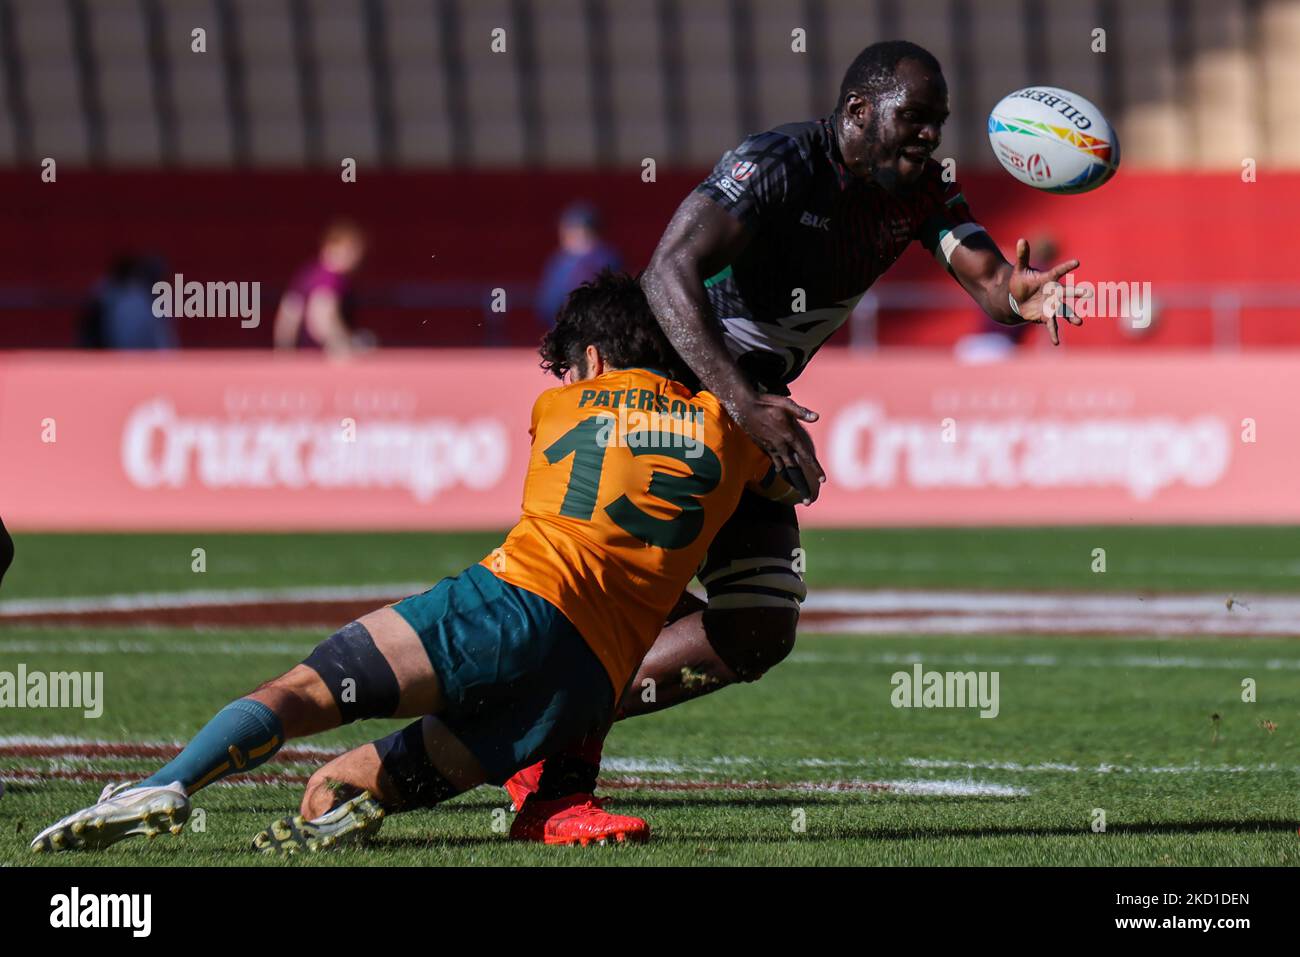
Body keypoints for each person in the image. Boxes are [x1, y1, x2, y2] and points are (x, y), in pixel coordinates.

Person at [503, 39, 1093, 841]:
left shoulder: (920, 191)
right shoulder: (776, 163)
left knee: (757, 627)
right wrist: (747, 402)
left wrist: (1018, 294)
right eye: (915, 121)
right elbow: (669, 273)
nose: (930, 139)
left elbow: (989, 277)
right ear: (858, 113)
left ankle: (532, 725)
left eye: (939, 124)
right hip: (667, 391)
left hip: (744, 411)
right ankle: (554, 789)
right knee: (637, 596)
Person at [30, 271, 797, 855]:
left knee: (302, 689)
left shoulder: (562, 406)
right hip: (583, 687)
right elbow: (788, 474)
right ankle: (365, 803)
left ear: (590, 360)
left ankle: (166, 783)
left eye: (567, 365)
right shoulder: (732, 434)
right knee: (331, 788)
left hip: (509, 605)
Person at [272, 220, 370, 356]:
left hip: (305, 356)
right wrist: (343, 345)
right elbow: (320, 316)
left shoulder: (308, 273)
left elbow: (288, 312)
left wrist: (284, 350)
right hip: (323, 357)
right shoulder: (331, 279)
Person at [535, 202, 623, 327]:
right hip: (562, 328)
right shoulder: (558, 260)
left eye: (572, 230)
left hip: (598, 330)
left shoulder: (606, 259)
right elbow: (546, 303)